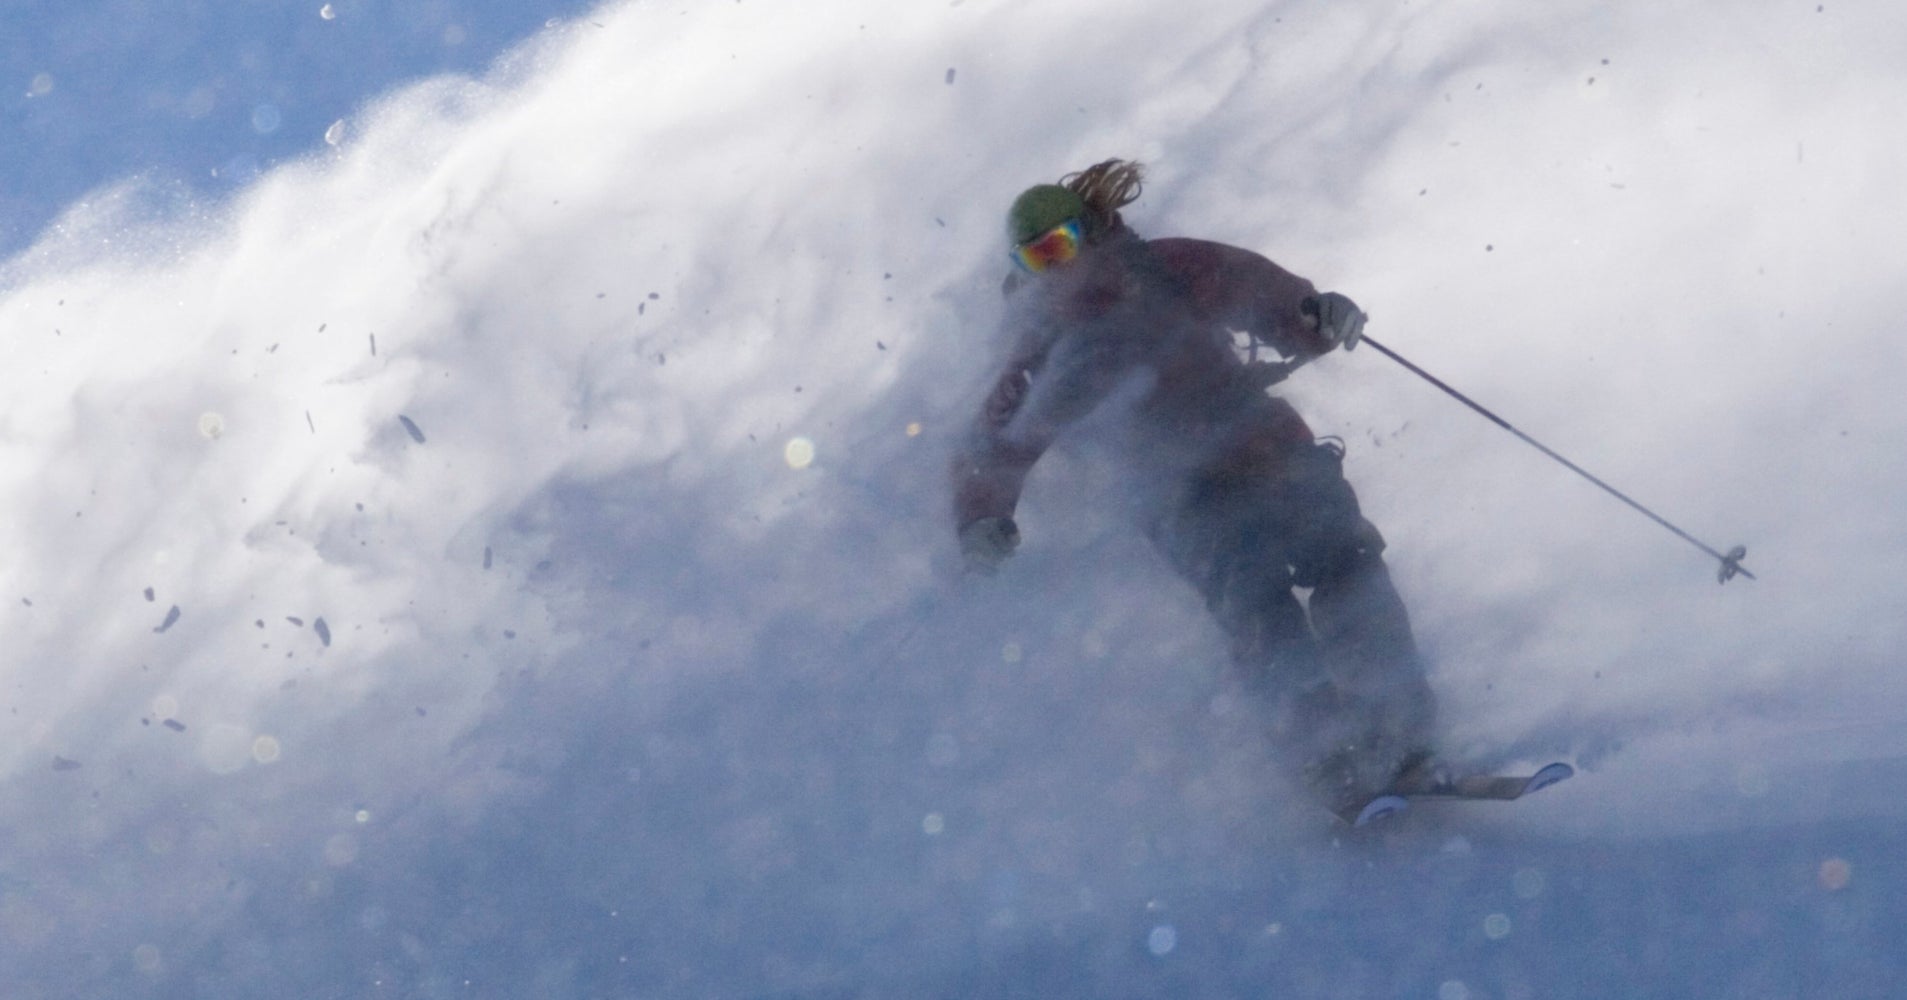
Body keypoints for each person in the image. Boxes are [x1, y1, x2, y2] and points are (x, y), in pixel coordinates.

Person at [949, 159, 1438, 819]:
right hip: (1178, 494)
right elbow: (992, 448)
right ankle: (1329, 757)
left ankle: (1402, 729)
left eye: (1062, 245)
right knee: (1254, 601)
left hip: (1269, 450)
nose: (1057, 269)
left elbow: (1282, 308)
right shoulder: (1042, 346)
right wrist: (980, 518)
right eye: (1037, 260)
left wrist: (1323, 315)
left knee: (1346, 562)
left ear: (1090, 232)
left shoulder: (1172, 268)